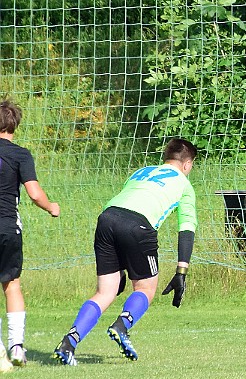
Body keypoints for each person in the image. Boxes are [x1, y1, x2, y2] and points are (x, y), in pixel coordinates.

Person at [54, 138, 198, 366]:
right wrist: (181, 272)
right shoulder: (184, 185)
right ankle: (122, 326)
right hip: (138, 226)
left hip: (107, 219)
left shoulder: (141, 172)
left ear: (165, 158)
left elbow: (124, 205)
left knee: (105, 292)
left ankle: (68, 343)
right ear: (187, 165)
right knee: (145, 288)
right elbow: (186, 230)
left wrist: (119, 267)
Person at [0, 101, 60, 367]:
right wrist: (51, 207)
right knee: (12, 285)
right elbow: (34, 193)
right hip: (7, 227)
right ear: (15, 126)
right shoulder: (21, 155)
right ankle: (16, 348)